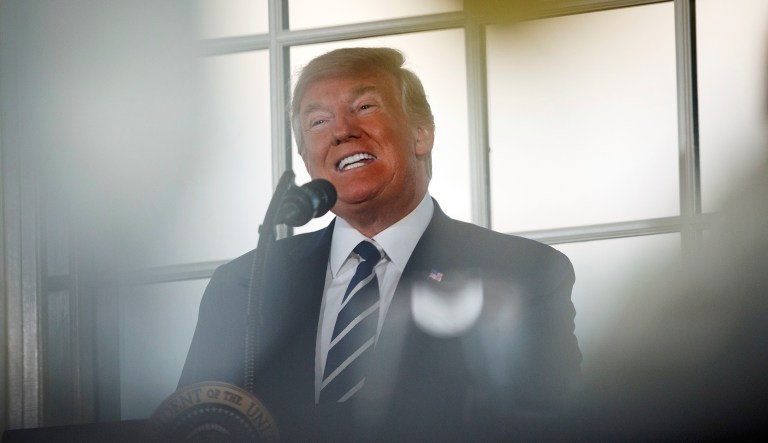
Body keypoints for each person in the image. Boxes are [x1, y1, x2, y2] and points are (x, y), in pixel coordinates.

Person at [178, 47, 581, 441]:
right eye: (318, 121)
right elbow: (191, 426)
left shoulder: (523, 272)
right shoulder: (243, 286)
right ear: (306, 158)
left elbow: (548, 423)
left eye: (365, 107)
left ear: (421, 133)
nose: (341, 131)